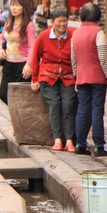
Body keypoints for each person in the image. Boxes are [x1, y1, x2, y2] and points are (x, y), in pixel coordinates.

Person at [30, 8, 76, 152]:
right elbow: (35, 58)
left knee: (68, 105)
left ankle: (69, 140)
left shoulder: (73, 35)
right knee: (55, 104)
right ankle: (57, 139)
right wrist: (35, 79)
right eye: (59, 21)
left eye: (65, 21)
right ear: (53, 22)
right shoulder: (43, 36)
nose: (62, 24)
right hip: (48, 76)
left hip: (68, 76)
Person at [71, 3, 107, 157]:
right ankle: (99, 146)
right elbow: (103, 58)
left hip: (82, 78)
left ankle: (80, 144)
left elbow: (73, 58)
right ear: (97, 16)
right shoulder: (98, 32)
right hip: (97, 78)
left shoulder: (75, 33)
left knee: (82, 111)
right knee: (97, 111)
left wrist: (76, 77)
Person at [0, 0, 35, 104]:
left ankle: (19, 118)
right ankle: (17, 113)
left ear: (24, 8)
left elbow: (33, 47)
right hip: (8, 64)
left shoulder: (28, 25)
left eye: (17, 6)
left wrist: (29, 65)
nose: (14, 8)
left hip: (22, 65)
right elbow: (1, 39)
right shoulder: (8, 22)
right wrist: (0, 50)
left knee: (20, 97)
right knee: (3, 94)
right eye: (12, 5)